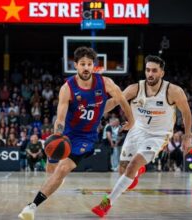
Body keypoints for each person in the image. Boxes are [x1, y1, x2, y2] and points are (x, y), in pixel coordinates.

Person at [18, 46, 134, 220]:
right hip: (67, 134)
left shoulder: (106, 82)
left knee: (62, 169)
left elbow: (122, 100)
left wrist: (131, 120)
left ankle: (31, 207)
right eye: (82, 64)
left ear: (93, 66)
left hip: (85, 137)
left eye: (89, 64)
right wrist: (58, 135)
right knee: (52, 170)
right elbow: (60, 117)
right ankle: (57, 177)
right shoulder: (68, 88)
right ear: (76, 66)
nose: (86, 67)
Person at [91, 55, 192, 217]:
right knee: (123, 171)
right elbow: (114, 102)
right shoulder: (135, 88)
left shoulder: (173, 91)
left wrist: (187, 137)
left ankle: (105, 204)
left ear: (162, 73)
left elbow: (186, 113)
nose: (150, 73)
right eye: (147, 70)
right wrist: (93, 114)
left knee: (132, 166)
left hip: (158, 135)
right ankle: (138, 171)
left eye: (154, 70)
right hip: (137, 131)